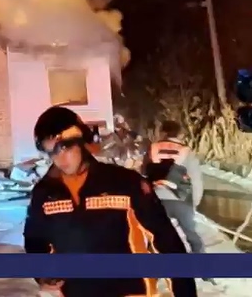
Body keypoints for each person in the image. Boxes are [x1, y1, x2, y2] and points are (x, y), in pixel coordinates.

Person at [24, 106, 198, 297]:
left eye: (64, 148)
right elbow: (35, 239)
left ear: (81, 141)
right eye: (51, 152)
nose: (60, 158)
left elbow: (167, 242)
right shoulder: (45, 193)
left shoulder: (125, 183)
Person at [143, 120, 206, 255]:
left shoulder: (153, 148)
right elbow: (196, 179)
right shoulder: (186, 151)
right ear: (179, 134)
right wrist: (194, 202)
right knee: (192, 237)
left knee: (155, 236)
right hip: (181, 199)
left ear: (163, 132)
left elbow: (143, 174)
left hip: (157, 200)